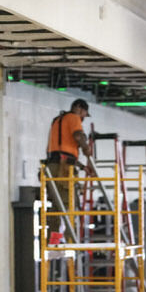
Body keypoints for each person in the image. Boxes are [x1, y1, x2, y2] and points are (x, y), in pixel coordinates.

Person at [43, 98, 93, 239]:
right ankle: (70, 240)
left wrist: (82, 167)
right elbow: (78, 136)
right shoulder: (73, 118)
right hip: (63, 169)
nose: (83, 118)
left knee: (56, 206)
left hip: (51, 167)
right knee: (69, 203)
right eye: (84, 114)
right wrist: (86, 148)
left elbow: (63, 154)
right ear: (79, 108)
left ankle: (53, 241)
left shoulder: (57, 121)